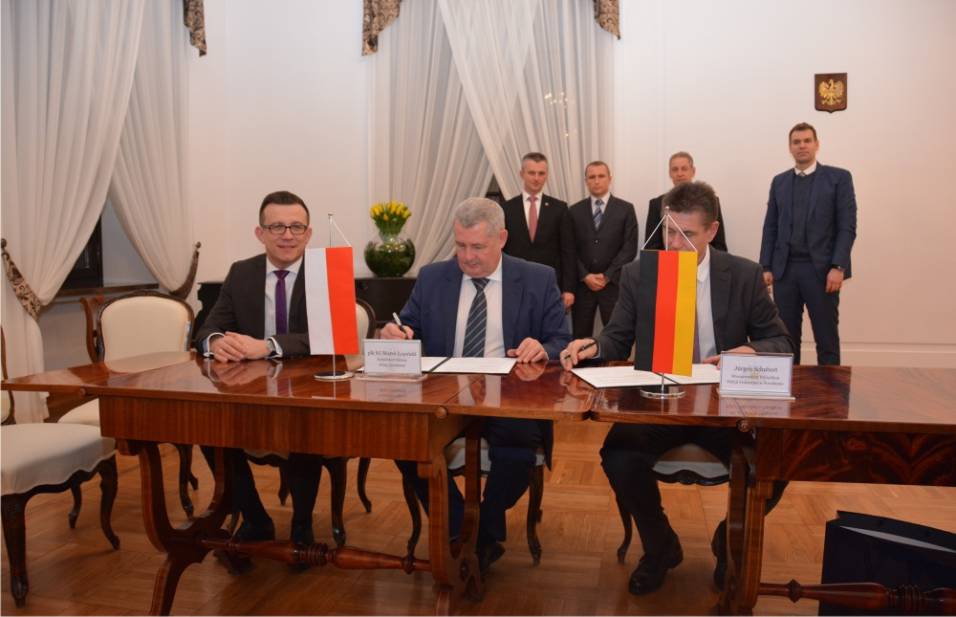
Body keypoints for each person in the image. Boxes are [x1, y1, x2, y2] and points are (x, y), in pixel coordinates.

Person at [561, 181, 794, 596]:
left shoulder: (743, 274)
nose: (674, 244)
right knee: (618, 456)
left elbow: (781, 342)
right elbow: (617, 337)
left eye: (687, 235)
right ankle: (660, 546)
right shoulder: (641, 273)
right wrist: (593, 345)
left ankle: (728, 540)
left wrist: (751, 351)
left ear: (712, 231)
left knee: (778, 462)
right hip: (661, 402)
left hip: (724, 407)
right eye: (669, 231)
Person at [382, 197, 570, 574]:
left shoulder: (537, 278)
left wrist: (543, 348)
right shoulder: (433, 277)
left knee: (517, 452)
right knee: (407, 443)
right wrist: (396, 333)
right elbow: (408, 325)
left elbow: (561, 340)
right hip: (444, 394)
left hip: (510, 394)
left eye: (478, 247)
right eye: (461, 245)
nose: (467, 257)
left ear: (502, 238)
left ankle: (482, 529)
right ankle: (462, 528)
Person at [193, 190, 326, 549]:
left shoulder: (326, 272)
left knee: (306, 428)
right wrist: (216, 342)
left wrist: (267, 345)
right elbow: (206, 329)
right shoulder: (242, 273)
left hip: (307, 389)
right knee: (208, 428)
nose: (288, 235)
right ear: (260, 233)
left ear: (309, 233)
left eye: (296, 227)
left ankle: (302, 525)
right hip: (250, 390)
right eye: (277, 227)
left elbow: (331, 338)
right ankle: (255, 518)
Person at [760, 122, 857, 365]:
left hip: (822, 272)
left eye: (806, 141)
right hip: (785, 272)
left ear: (816, 144)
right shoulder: (779, 182)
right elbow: (770, 226)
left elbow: (847, 227)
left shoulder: (839, 178)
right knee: (786, 341)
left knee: (826, 338)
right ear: (790, 147)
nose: (801, 146)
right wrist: (766, 266)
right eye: (796, 142)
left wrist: (838, 266)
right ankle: (791, 388)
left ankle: (831, 390)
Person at [562, 161, 637, 338]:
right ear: (586, 181)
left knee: (617, 337)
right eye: (592, 177)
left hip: (613, 285)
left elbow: (629, 248)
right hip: (583, 286)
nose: (597, 181)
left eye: (601, 176)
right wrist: (585, 275)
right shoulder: (574, 211)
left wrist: (607, 275)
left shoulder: (625, 209)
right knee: (580, 337)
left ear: (610, 178)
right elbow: (569, 249)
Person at [501, 152, 573, 310]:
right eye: (531, 173)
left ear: (547, 175)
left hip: (550, 283)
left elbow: (567, 251)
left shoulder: (559, 208)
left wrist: (568, 289)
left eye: (541, 173)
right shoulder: (507, 208)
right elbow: (501, 249)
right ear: (521, 174)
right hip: (514, 282)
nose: (536, 178)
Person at [644, 151, 728, 251]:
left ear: (693, 171)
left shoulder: (710, 202)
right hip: (669, 259)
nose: (679, 174)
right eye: (675, 169)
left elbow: (719, 246)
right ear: (670, 173)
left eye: (684, 169)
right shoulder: (656, 204)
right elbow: (651, 248)